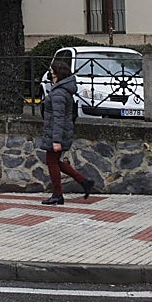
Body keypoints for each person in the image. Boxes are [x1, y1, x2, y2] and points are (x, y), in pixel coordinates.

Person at [39, 58, 97, 205]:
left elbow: (59, 118)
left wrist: (56, 140)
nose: (50, 75)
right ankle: (84, 182)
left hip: (57, 133)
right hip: (58, 132)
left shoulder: (59, 93)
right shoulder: (63, 90)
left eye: (52, 73)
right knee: (55, 161)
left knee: (52, 162)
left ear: (57, 74)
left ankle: (58, 194)